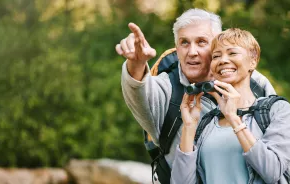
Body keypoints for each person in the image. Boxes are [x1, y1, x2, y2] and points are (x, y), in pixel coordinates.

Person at [116, 8, 277, 182]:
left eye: (201, 42)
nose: (192, 51)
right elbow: (138, 91)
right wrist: (136, 63)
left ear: (216, 44)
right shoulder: (166, 90)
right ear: (177, 48)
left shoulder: (253, 82)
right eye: (184, 43)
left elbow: (287, 150)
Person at [172, 28, 290, 184]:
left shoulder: (277, 110)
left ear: (253, 60)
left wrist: (234, 118)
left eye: (232, 53)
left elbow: (272, 171)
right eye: (216, 56)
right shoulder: (207, 123)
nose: (223, 60)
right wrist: (189, 128)